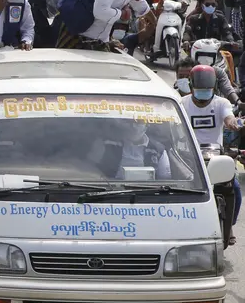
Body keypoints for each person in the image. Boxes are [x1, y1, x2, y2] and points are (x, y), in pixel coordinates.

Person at [180, 64, 240, 244]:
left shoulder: (221, 103)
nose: (204, 95)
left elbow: (228, 116)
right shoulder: (182, 103)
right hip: (189, 158)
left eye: (208, 91)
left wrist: (231, 123)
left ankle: (229, 226)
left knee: (235, 188)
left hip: (216, 157)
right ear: (191, 87)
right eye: (200, 90)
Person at [86, 119, 171, 180]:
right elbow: (88, 170)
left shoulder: (158, 150)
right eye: (129, 121)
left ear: (147, 125)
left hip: (147, 195)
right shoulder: (105, 143)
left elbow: (165, 179)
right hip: (108, 193)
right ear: (121, 123)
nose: (133, 126)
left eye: (139, 122)